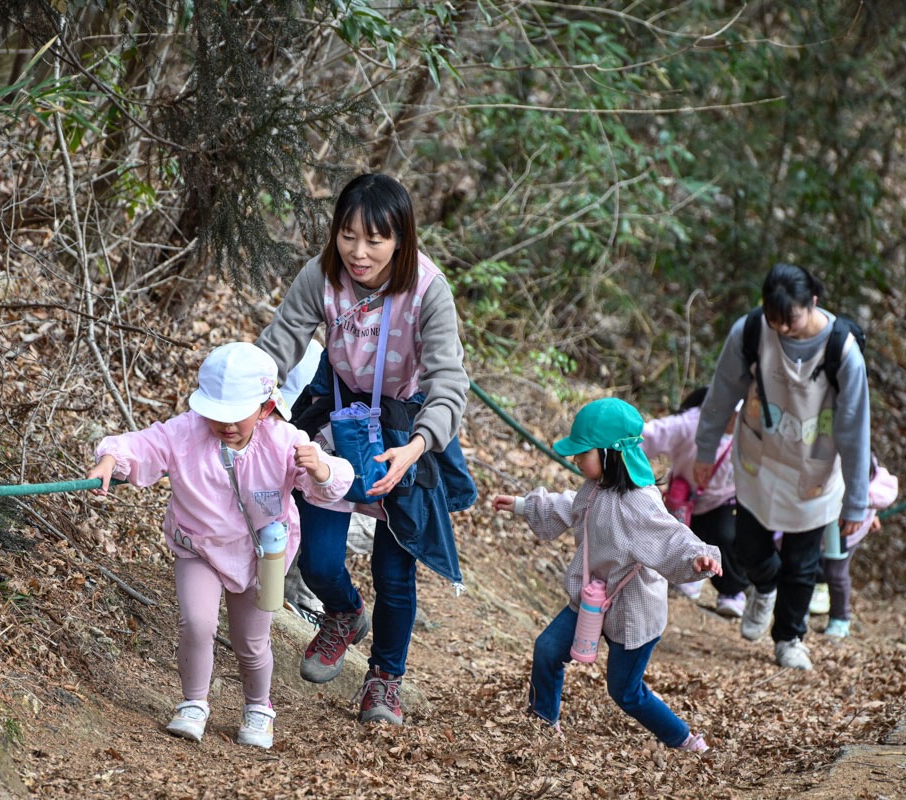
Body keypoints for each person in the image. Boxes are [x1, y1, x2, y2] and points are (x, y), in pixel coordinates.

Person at [254, 172, 477, 725]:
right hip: (338, 418)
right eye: (348, 236)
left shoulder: (428, 290)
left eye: (375, 240)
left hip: (405, 431)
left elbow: (449, 381)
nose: (358, 253)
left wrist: (418, 447)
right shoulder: (322, 275)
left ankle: (384, 679)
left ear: (400, 240)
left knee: (394, 571)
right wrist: (249, 399)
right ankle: (343, 612)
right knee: (319, 558)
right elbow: (279, 344)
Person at [87, 342, 353, 749]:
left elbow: (330, 484)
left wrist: (320, 468)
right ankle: (193, 702)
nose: (225, 425)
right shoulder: (187, 432)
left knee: (251, 641)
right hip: (199, 547)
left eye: (236, 415)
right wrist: (111, 459)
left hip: (262, 555)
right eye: (216, 414)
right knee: (197, 623)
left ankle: (258, 707)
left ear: (265, 408)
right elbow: (143, 444)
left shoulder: (283, 440)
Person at [491, 398, 721, 752]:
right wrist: (523, 505)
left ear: (611, 453)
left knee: (625, 691)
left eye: (583, 452)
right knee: (548, 649)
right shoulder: (595, 488)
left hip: (633, 612)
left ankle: (685, 740)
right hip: (593, 598)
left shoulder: (638, 503)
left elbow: (670, 536)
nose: (575, 459)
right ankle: (542, 722)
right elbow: (570, 506)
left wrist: (699, 557)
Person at [693, 263, 871, 670]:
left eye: (791, 319)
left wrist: (856, 501)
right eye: (775, 320)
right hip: (759, 460)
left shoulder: (843, 351)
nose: (783, 329)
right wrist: (705, 450)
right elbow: (721, 393)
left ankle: (789, 637)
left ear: (813, 302)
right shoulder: (751, 332)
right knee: (748, 547)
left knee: (802, 563)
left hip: (814, 470)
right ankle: (764, 585)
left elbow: (854, 429)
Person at [641, 387, 748, 617]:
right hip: (686, 496)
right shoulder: (690, 424)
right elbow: (650, 436)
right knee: (680, 534)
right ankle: (688, 576)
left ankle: (732, 591)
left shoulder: (750, 433)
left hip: (726, 496)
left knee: (725, 536)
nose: (736, 419)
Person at [811, 457, 898, 638]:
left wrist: (866, 509)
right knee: (805, 565)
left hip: (847, 531)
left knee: (836, 573)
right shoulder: (822, 455)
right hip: (816, 525)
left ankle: (840, 619)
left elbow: (881, 490)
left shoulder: (863, 460)